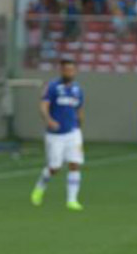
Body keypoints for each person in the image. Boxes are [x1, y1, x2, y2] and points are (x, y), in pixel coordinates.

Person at [31, 59, 85, 211]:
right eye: (66, 70)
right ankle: (40, 186)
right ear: (61, 71)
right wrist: (49, 120)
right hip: (55, 134)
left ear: (75, 71)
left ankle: (72, 200)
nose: (69, 72)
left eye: (71, 70)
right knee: (55, 167)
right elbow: (43, 106)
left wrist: (80, 125)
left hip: (73, 132)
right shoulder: (52, 87)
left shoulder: (78, 90)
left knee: (75, 164)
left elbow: (80, 109)